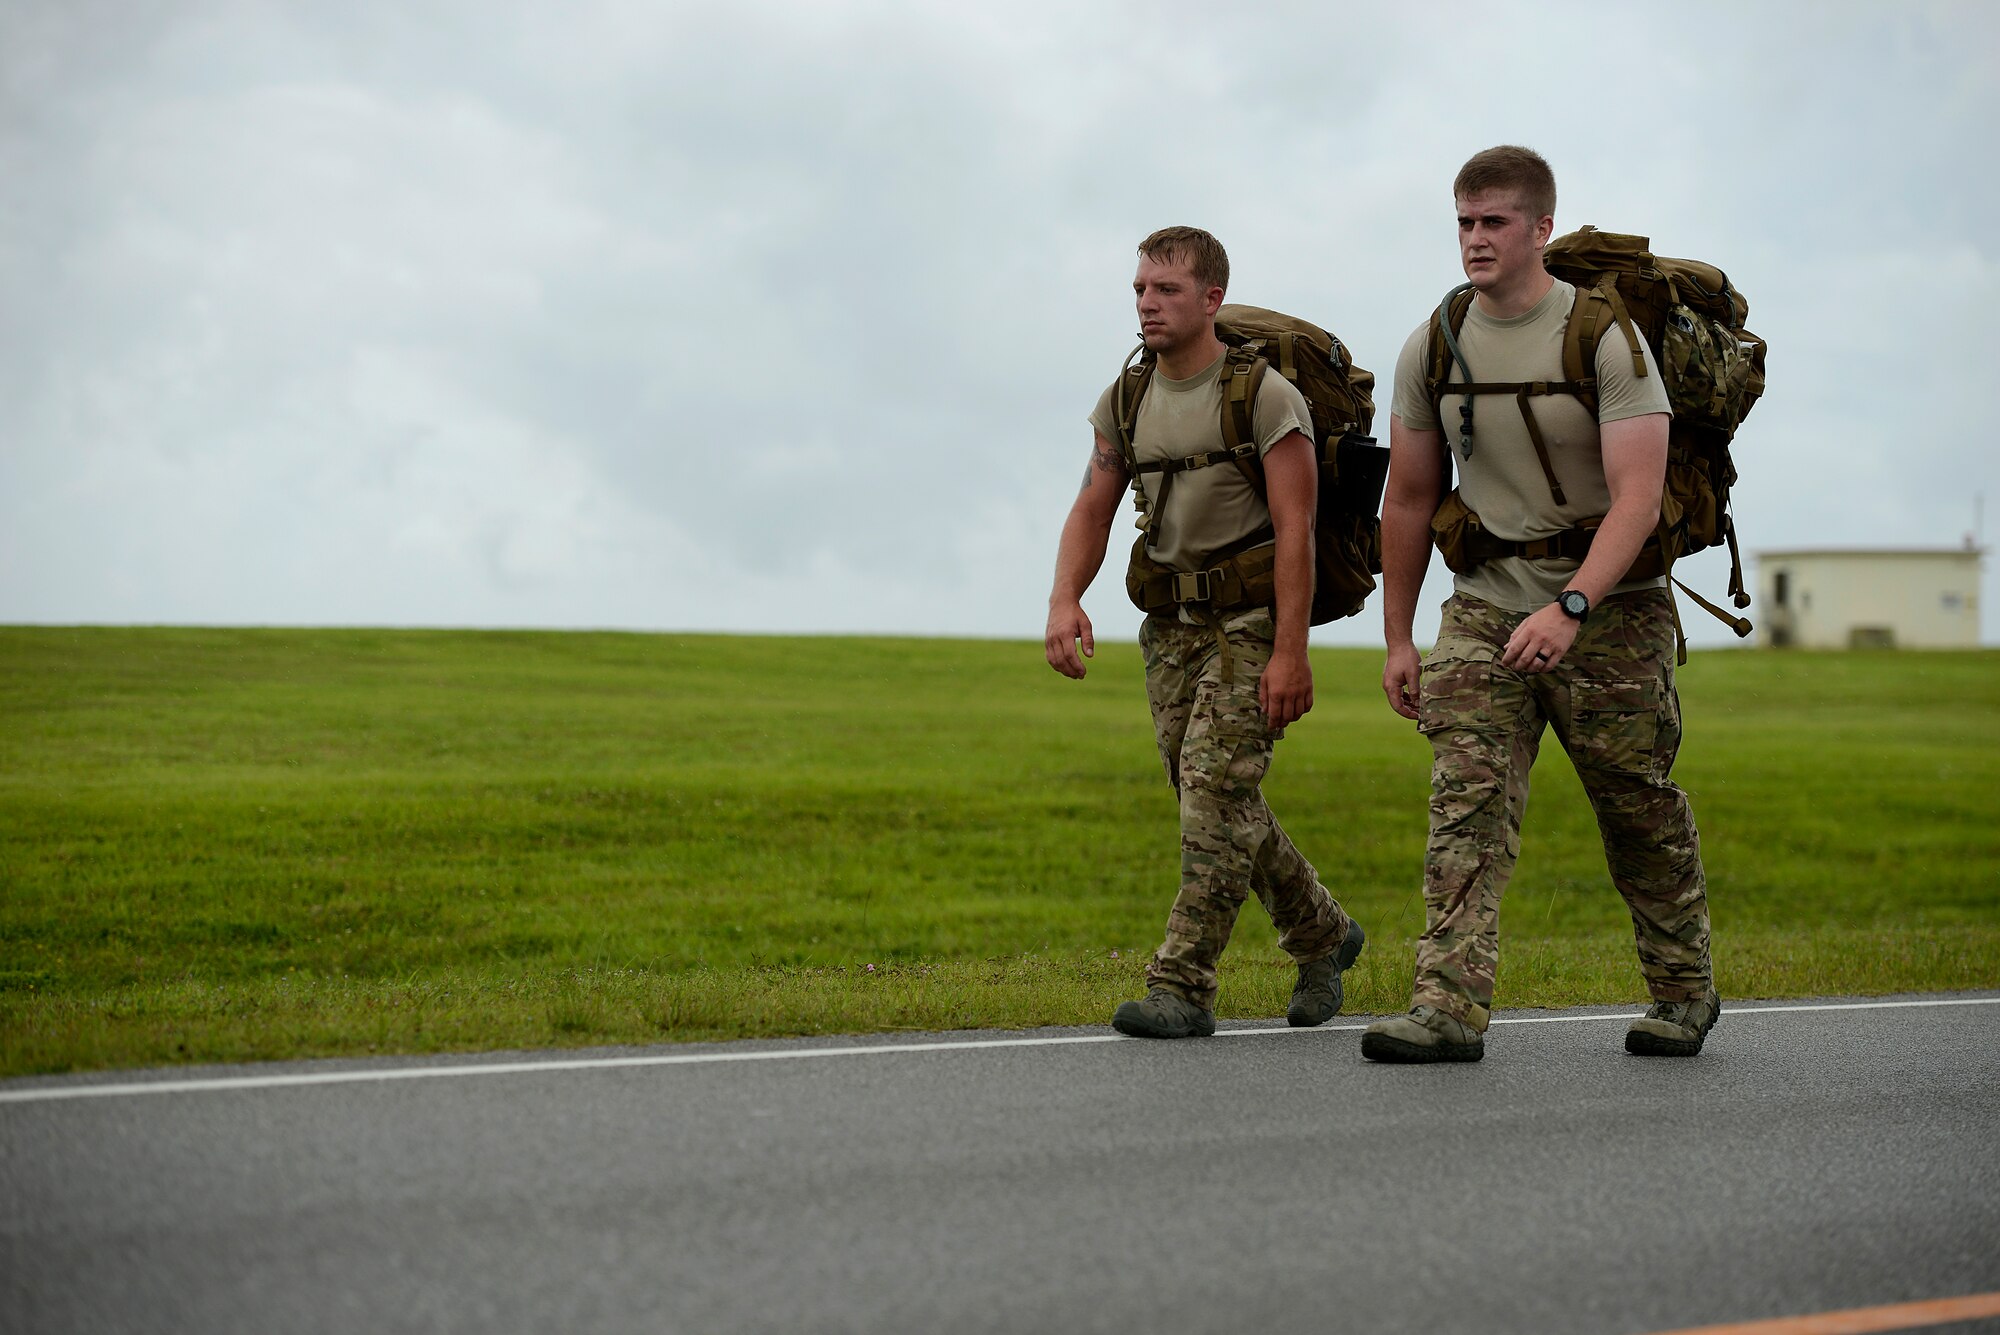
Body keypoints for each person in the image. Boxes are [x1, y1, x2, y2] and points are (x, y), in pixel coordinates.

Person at [1362, 146, 1720, 1063]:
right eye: (1464, 222)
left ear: (1541, 229)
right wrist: (1399, 635)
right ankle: (1446, 1007)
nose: (1475, 240)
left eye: (1494, 222)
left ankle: (1683, 991)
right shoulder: (1434, 342)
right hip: (1484, 602)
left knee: (1634, 806)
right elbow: (1405, 498)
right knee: (1464, 805)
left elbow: (1637, 499)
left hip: (1613, 607)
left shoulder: (1605, 338)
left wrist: (1570, 606)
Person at [1045, 226, 1365, 1039]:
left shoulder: (1263, 395)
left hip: (1249, 622)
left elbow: (1297, 527)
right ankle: (1323, 932)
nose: (1148, 304)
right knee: (1213, 799)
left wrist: (1291, 652)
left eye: (1167, 290)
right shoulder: (1128, 396)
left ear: (1211, 298)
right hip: (1171, 627)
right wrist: (1063, 599)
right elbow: (1094, 504)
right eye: (1141, 291)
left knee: (1214, 798)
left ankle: (1182, 985)